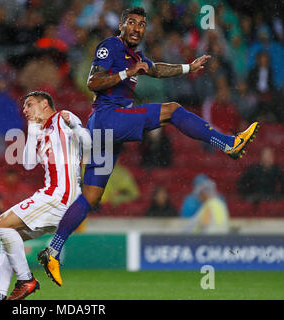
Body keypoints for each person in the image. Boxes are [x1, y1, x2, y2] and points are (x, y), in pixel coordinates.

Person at [37, 6, 259, 287]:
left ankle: (53, 250)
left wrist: (189, 67)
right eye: (131, 23)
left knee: (91, 196)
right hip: (108, 119)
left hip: (105, 132)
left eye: (142, 24)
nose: (137, 28)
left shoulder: (137, 57)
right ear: (121, 25)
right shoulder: (110, 46)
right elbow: (93, 81)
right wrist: (127, 72)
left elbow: (156, 69)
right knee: (173, 110)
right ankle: (228, 143)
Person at [0, 91, 91, 300]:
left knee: (1, 224)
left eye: (29, 104)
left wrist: (75, 126)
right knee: (10, 239)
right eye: (24, 107)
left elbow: (88, 143)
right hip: (55, 198)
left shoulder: (63, 117)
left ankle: (26, 280)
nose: (25, 110)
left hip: (60, 196)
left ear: (45, 104)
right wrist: (33, 129)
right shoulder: (40, 130)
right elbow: (27, 164)